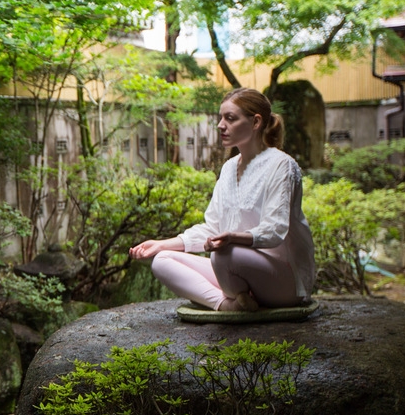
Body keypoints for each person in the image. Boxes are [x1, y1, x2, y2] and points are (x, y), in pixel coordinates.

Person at [128, 87, 315, 312]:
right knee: (163, 260)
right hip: (234, 271)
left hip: (282, 282)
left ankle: (235, 298)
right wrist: (162, 244)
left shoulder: (282, 165)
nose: (220, 125)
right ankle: (228, 304)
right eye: (221, 118)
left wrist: (232, 238)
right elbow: (212, 228)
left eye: (230, 118)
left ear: (256, 122)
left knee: (224, 253)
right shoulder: (228, 169)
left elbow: (275, 229)